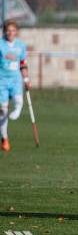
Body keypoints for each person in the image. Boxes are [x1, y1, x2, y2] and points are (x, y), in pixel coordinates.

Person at [0, 19, 31, 151]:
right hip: (1, 80)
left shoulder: (21, 45)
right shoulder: (0, 44)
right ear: (4, 31)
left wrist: (26, 79)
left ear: (16, 31)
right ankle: (5, 138)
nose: (10, 33)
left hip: (15, 79)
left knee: (19, 101)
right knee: (3, 111)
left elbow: (23, 63)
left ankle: (17, 111)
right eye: (8, 30)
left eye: (12, 30)